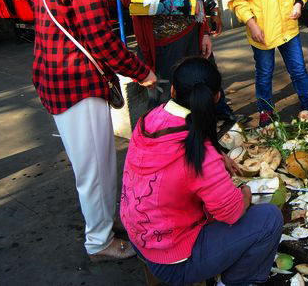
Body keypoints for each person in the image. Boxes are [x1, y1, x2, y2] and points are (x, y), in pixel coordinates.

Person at [32, 0, 157, 262]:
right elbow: (100, 38)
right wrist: (141, 72)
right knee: (96, 168)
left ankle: (105, 221)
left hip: (54, 76)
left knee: (95, 163)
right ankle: (99, 242)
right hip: (76, 81)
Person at [121, 57, 283, 286]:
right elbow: (232, 212)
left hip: (138, 235)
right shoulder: (200, 153)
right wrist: (245, 192)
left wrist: (219, 157)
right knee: (270, 219)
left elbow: (179, 159)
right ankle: (236, 282)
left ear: (174, 90)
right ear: (216, 97)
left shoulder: (148, 120)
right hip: (172, 260)